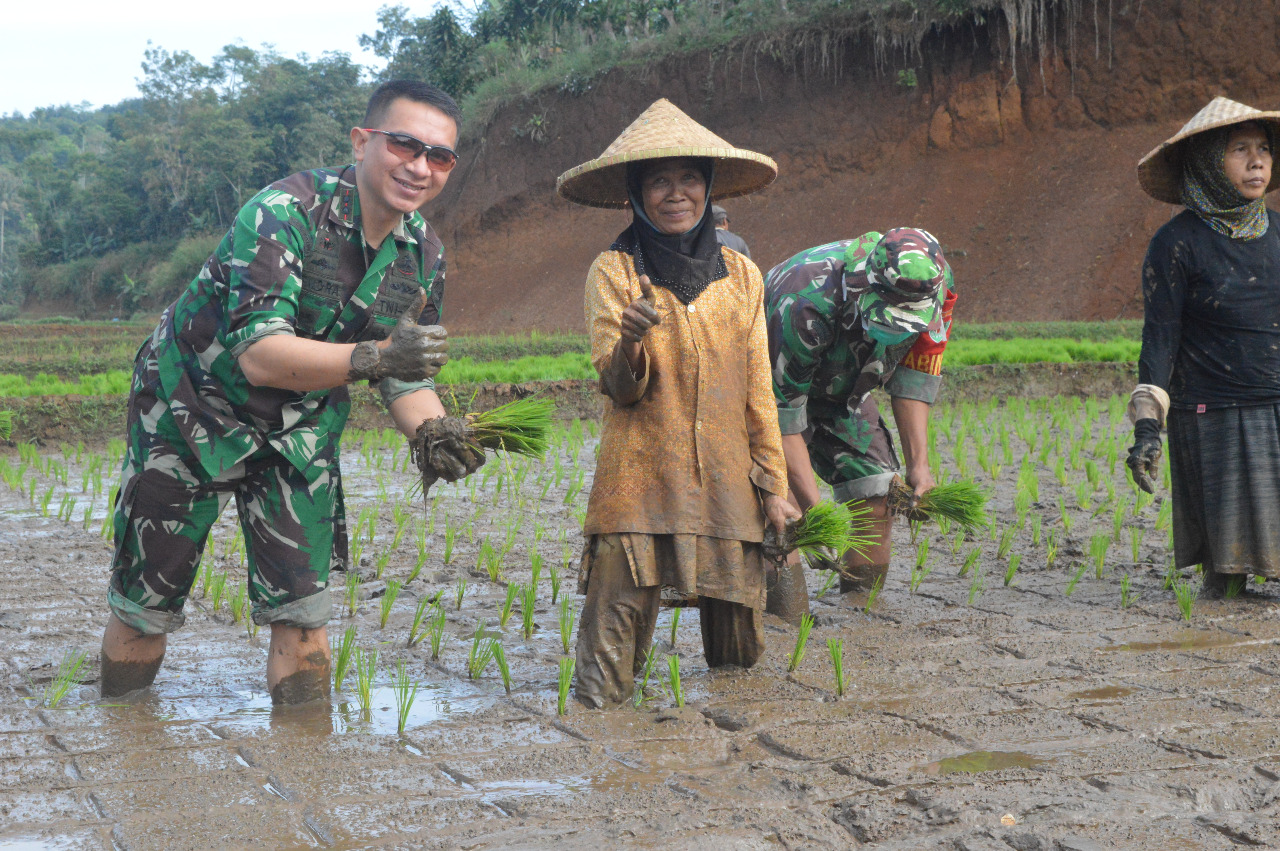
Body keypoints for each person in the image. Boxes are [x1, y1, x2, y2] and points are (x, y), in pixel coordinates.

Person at [99, 80, 485, 704]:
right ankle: (121, 735)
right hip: (189, 408)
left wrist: (433, 432)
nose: (419, 167)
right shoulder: (284, 213)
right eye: (405, 145)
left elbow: (405, 372)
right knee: (146, 609)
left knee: (305, 618)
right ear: (363, 142)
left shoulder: (424, 255)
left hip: (297, 431)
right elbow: (260, 355)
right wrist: (379, 357)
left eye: (439, 156)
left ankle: (305, 767)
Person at [555, 98, 799, 707]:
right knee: (605, 672)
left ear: (708, 186)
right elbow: (619, 388)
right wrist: (632, 341)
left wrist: (774, 485)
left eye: (688, 177)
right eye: (658, 181)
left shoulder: (742, 275)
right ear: (636, 193)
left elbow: (757, 391)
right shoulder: (615, 270)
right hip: (638, 484)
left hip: (727, 481)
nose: (675, 193)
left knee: (740, 660)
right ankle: (598, 749)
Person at [1129, 96, 1280, 594]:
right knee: (1228, 574)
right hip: (1215, 416)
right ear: (1210, 163)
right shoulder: (1177, 244)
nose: (1257, 160)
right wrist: (1147, 429)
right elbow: (1160, 340)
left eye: (1263, 148)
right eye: (1240, 149)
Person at [763, 229, 956, 613]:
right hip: (763, 391)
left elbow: (916, 376)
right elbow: (779, 416)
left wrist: (920, 468)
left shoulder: (936, 285)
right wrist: (816, 513)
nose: (900, 332)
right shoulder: (804, 300)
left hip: (843, 386)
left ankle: (859, 618)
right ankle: (785, 622)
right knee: (780, 510)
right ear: (864, 287)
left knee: (878, 492)